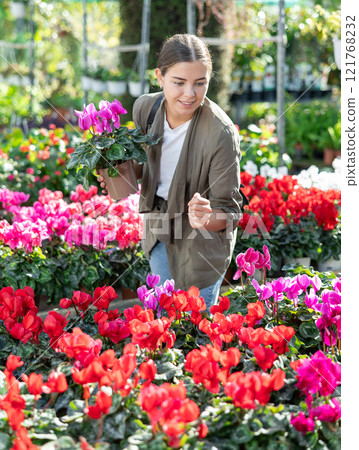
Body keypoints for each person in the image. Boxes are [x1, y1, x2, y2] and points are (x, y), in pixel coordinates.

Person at [98, 34, 243, 310]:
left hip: (201, 243)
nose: (190, 94)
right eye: (179, 83)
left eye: (200, 83)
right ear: (159, 77)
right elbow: (145, 161)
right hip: (159, 227)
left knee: (193, 329)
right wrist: (119, 174)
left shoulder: (220, 134)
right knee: (162, 324)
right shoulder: (146, 108)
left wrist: (207, 216)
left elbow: (231, 211)